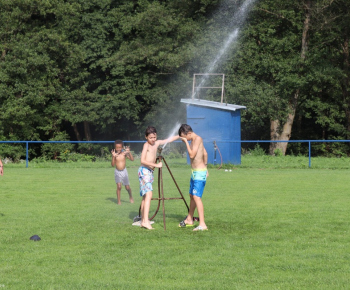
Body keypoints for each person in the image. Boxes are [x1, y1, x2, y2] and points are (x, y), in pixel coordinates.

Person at [138, 126, 179, 230]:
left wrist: (180, 136)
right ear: (146, 137)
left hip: (149, 172)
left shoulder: (156, 143)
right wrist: (156, 165)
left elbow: (168, 140)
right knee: (149, 194)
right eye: (151, 137)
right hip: (144, 171)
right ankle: (146, 221)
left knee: (145, 197)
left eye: (154, 137)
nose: (153, 139)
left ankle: (143, 220)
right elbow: (142, 160)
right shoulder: (146, 145)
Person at [178, 124, 208, 231]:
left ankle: (202, 224)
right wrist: (206, 166)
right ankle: (189, 219)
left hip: (199, 173)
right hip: (195, 172)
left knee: (196, 197)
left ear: (189, 133)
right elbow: (205, 153)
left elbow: (192, 155)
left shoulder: (197, 139)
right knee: (191, 195)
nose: (184, 139)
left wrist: (186, 142)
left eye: (184, 137)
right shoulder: (193, 140)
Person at [111, 140, 134, 205]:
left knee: (127, 187)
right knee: (119, 186)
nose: (118, 149)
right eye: (117, 148)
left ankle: (131, 196)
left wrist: (129, 152)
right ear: (115, 148)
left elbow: (132, 159)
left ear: (122, 147)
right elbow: (112, 165)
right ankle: (119, 201)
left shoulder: (124, 154)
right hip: (117, 172)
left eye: (120, 147)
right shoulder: (115, 155)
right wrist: (113, 156)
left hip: (124, 172)